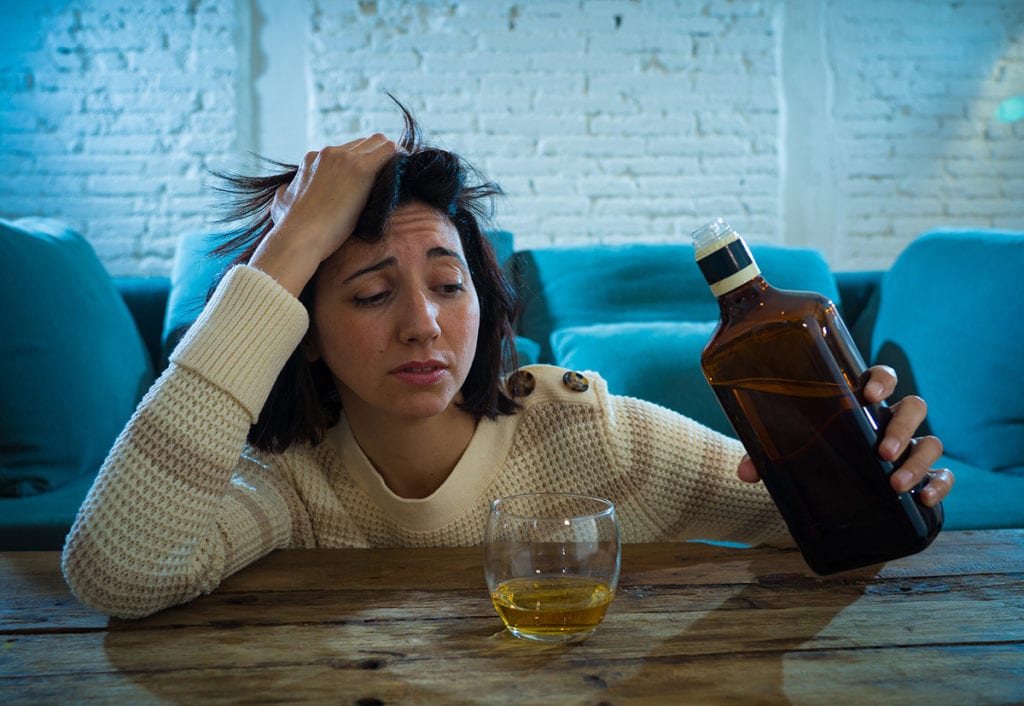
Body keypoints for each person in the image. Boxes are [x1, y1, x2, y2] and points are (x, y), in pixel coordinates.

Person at [62, 102, 954, 619]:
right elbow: (113, 574)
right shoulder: (286, 484)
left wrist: (891, 475)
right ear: (297, 323)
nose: (423, 326)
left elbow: (845, 537)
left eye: (448, 286)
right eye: (372, 294)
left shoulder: (591, 436)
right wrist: (289, 243)